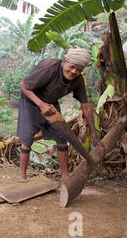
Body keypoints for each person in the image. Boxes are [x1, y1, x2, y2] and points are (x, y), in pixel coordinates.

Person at [17, 48, 105, 181]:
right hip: (31, 102)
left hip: (51, 104)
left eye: (78, 70)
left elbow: (86, 107)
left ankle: (65, 177)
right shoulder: (50, 68)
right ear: (64, 62)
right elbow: (23, 85)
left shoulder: (78, 80)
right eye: (72, 67)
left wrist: (93, 134)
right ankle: (22, 177)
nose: (74, 71)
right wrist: (41, 104)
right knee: (27, 139)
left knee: (62, 137)